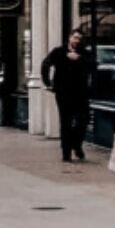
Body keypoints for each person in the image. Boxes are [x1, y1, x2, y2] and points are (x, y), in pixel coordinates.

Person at [40, 30, 95, 163]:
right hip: (63, 91)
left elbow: (93, 65)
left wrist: (79, 58)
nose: (77, 41)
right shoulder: (59, 51)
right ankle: (66, 152)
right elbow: (45, 65)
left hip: (81, 91)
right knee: (66, 121)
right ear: (70, 38)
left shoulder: (84, 52)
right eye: (75, 38)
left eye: (79, 39)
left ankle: (76, 144)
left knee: (84, 120)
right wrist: (48, 83)